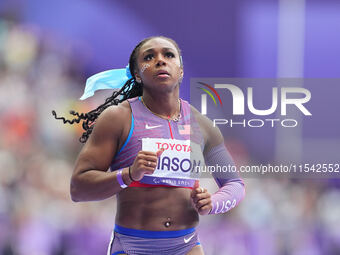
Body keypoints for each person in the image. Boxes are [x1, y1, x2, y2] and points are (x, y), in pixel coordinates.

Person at [53, 36, 245, 255]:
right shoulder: (118, 118)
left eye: (169, 55)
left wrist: (213, 202)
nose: (160, 60)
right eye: (149, 57)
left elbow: (235, 185)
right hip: (133, 247)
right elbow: (78, 189)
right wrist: (128, 175)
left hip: (187, 246)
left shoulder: (202, 125)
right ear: (137, 74)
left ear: (180, 70)